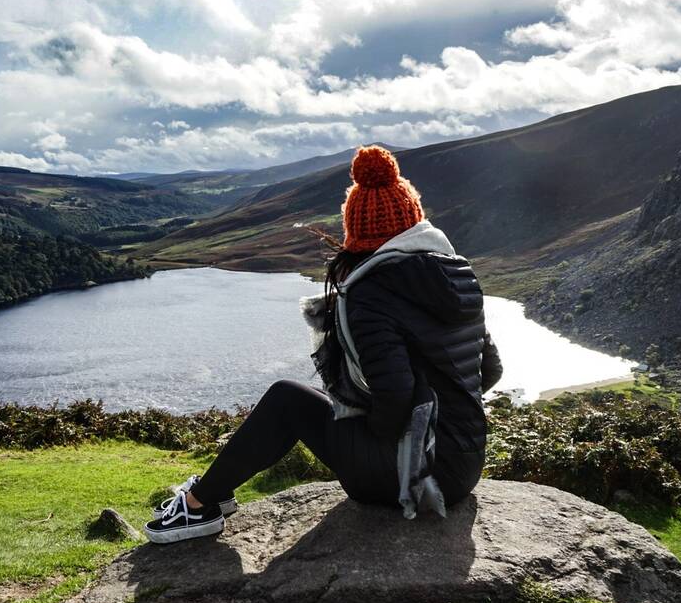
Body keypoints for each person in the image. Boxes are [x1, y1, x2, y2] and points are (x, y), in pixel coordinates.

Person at [144, 145, 502, 544]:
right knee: (307, 402)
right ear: (414, 219)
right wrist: (436, 411)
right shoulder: (459, 275)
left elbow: (396, 396)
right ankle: (215, 491)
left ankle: (198, 505)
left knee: (287, 400)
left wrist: (375, 426)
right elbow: (489, 371)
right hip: (465, 467)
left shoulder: (371, 291)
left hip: (412, 476)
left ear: (358, 231)